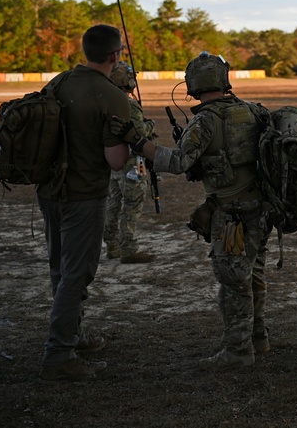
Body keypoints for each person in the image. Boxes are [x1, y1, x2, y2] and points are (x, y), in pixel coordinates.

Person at [110, 51, 272, 370]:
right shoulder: (254, 111)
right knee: (253, 274)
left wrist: (138, 142)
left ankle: (238, 351)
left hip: (231, 215)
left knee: (233, 281)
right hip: (262, 210)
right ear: (223, 80)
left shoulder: (205, 120)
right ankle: (258, 336)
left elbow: (177, 161)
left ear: (194, 84)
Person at [38, 24, 131, 383]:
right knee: (76, 275)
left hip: (50, 192)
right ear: (114, 56)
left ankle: (72, 336)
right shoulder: (112, 96)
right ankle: (58, 355)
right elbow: (116, 161)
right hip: (84, 195)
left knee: (61, 271)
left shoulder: (59, 82)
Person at [104, 61, 156, 264]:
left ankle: (112, 245)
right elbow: (140, 132)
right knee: (132, 202)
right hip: (134, 161)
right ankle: (129, 248)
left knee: (113, 203)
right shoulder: (128, 103)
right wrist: (150, 125)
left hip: (113, 160)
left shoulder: (107, 101)